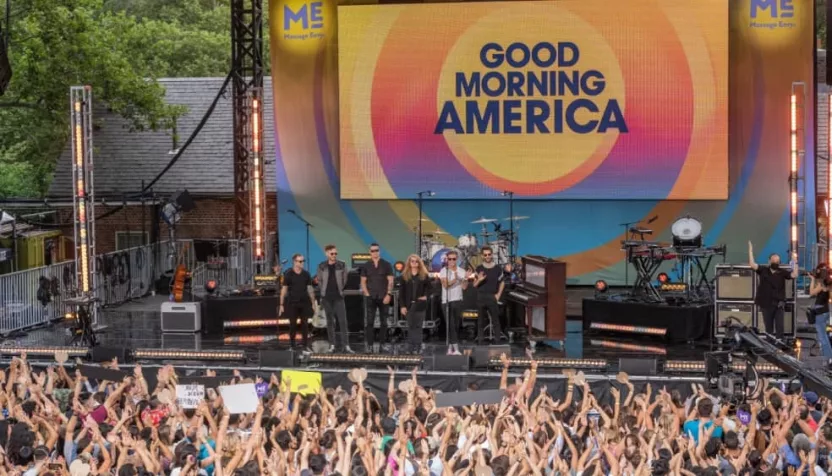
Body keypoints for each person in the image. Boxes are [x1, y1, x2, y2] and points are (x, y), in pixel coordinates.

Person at [748, 241, 798, 339]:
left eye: (777, 261)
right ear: (769, 261)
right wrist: (750, 251)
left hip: (778, 304)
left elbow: (794, 275)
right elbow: (752, 264)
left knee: (780, 327)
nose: (776, 262)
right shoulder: (763, 270)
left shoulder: (782, 272)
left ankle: (779, 348)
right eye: (774, 260)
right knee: (769, 328)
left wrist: (795, 261)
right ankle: (770, 347)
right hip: (766, 304)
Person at [316, 245, 353, 353]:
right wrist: (323, 292)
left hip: (338, 297)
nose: (334, 255)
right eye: (332, 253)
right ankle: (332, 345)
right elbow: (319, 280)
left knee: (343, 321)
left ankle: (346, 345)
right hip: (326, 297)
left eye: (336, 253)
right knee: (330, 322)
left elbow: (345, 279)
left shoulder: (342, 265)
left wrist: (340, 289)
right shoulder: (321, 266)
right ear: (326, 253)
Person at [360, 243, 394, 353]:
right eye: (373, 251)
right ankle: (369, 345)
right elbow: (363, 282)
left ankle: (382, 344)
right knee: (369, 322)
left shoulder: (386, 264)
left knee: (384, 322)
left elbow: (391, 280)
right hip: (371, 297)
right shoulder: (366, 265)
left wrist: (388, 294)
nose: (375, 252)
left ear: (380, 251)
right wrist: (367, 294)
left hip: (384, 296)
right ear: (370, 252)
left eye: (377, 250)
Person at [279, 253, 316, 349]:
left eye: (303, 261)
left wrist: (313, 302)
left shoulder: (306, 274)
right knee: (292, 325)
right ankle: (292, 344)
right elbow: (284, 289)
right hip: (292, 303)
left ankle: (305, 345)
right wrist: (281, 304)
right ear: (294, 262)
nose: (302, 263)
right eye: (300, 261)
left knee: (305, 324)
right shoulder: (288, 274)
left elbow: (310, 289)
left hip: (304, 302)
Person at [399, 254, 431, 353]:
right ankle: (410, 347)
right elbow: (401, 293)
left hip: (420, 305)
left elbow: (430, 288)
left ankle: (418, 347)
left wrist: (426, 296)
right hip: (409, 305)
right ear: (409, 263)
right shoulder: (404, 276)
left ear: (419, 263)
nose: (414, 263)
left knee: (418, 327)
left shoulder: (424, 276)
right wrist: (402, 306)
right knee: (411, 326)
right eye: (412, 261)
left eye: (416, 261)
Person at [473, 245, 505, 344]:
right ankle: (480, 342)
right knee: (480, 321)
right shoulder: (479, 268)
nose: (487, 256)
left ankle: (497, 342)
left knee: (496, 320)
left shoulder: (498, 268)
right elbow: (474, 285)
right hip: (481, 296)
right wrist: (479, 279)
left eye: (489, 254)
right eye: (485, 255)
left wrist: (498, 294)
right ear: (482, 256)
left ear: (492, 255)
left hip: (492, 296)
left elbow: (502, 282)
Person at [440, 249, 467, 355]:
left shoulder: (461, 271)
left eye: (453, 259)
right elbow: (445, 285)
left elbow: (464, 287)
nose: (451, 261)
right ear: (447, 260)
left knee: (455, 325)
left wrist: (464, 278)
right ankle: (456, 349)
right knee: (450, 325)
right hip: (446, 301)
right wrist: (455, 279)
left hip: (458, 300)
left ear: (457, 259)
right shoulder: (444, 270)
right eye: (449, 259)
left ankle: (450, 348)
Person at [809, 264, 831, 363]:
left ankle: (828, 358)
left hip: (820, 312)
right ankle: (827, 357)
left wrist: (812, 280)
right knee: (824, 336)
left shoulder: (822, 284)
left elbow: (811, 293)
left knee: (822, 337)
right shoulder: (828, 283)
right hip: (825, 311)